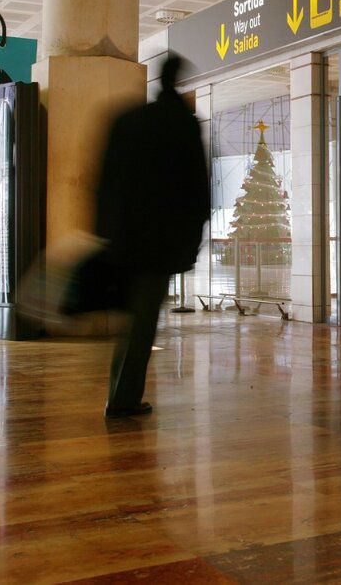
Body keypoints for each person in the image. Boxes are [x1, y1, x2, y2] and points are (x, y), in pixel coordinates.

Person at [95, 53, 209, 418]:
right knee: (142, 324)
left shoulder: (128, 120)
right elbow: (198, 191)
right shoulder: (183, 126)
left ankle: (121, 394)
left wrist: (104, 233)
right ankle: (123, 399)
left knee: (132, 322)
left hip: (124, 242)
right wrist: (190, 244)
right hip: (158, 246)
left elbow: (104, 183)